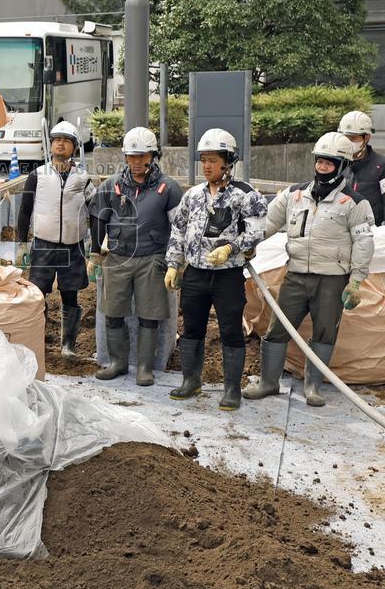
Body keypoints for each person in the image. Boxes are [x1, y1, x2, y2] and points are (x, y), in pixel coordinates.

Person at [244, 132, 374, 408]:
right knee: (278, 328)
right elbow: (268, 223)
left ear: (342, 166)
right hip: (296, 275)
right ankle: (268, 382)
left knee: (325, 333)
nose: (323, 167)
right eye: (320, 162)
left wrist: (356, 281)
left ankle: (313, 387)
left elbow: (364, 243)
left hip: (332, 280)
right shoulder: (295, 194)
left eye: (330, 163)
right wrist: (248, 245)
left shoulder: (354, 203)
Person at [164, 129, 267, 411]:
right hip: (196, 273)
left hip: (228, 275)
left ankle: (232, 389)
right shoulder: (193, 195)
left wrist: (231, 248)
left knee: (230, 329)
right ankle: (190, 380)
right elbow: (179, 229)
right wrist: (174, 264)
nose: (207, 165)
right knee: (192, 327)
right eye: (203, 160)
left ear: (228, 162)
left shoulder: (245, 195)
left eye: (213, 160)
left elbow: (259, 230)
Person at [88, 127, 183, 384]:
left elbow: (179, 228)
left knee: (149, 314)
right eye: (132, 156)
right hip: (118, 257)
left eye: (143, 156)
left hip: (152, 257)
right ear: (125, 157)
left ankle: (144, 367)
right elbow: (97, 217)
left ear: (153, 155)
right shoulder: (112, 186)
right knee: (113, 311)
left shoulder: (168, 188)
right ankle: (118, 362)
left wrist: (176, 261)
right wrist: (95, 252)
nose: (137, 162)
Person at [15, 121, 95, 357]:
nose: (60, 144)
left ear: (74, 147)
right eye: (57, 140)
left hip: (73, 247)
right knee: (38, 295)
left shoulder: (82, 178)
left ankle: (67, 345)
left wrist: (98, 242)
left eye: (66, 140)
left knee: (70, 294)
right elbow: (24, 211)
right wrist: (21, 243)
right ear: (50, 145)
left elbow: (96, 208)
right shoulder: (37, 176)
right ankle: (36, 342)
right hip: (44, 246)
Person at [338, 111, 385, 226]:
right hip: (341, 231)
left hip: (373, 232)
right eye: (345, 137)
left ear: (367, 137)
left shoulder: (381, 165)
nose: (349, 142)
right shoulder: (336, 164)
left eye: (353, 138)